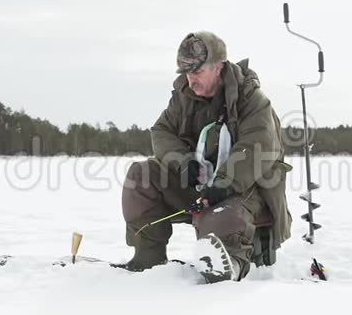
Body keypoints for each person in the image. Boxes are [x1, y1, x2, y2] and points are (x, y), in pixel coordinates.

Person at [120, 31, 292, 282]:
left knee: (220, 217)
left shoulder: (253, 100)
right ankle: (148, 260)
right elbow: (161, 131)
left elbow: (258, 147)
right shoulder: (183, 98)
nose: (191, 80)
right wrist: (182, 161)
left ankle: (230, 265)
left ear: (218, 67)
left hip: (247, 190)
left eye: (197, 72)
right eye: (187, 73)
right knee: (140, 176)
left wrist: (222, 183)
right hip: (200, 186)